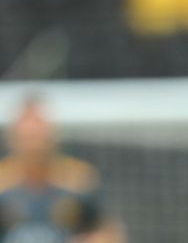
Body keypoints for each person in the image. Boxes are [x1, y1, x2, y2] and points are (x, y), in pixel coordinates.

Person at [0, 95, 125, 243]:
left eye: (38, 136)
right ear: (12, 140)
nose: (33, 146)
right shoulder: (3, 181)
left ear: (52, 136)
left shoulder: (79, 179)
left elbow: (106, 229)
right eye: (27, 138)